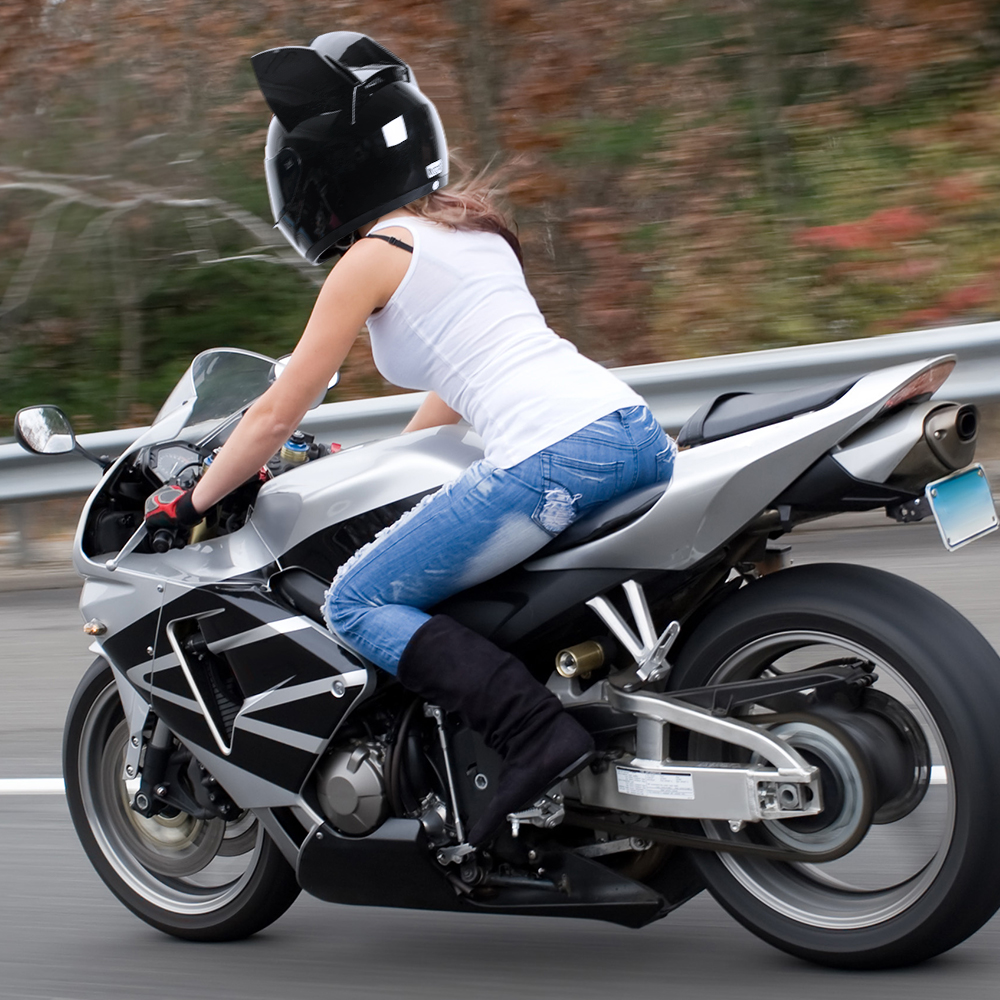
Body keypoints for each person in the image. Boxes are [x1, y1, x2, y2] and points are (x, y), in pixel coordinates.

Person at [144, 31, 676, 846]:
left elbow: (278, 411)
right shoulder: (474, 231)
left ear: (321, 175)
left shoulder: (372, 256)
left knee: (357, 601)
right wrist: (378, 462)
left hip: (552, 455)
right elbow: (457, 381)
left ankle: (535, 736)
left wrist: (193, 499)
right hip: (630, 431)